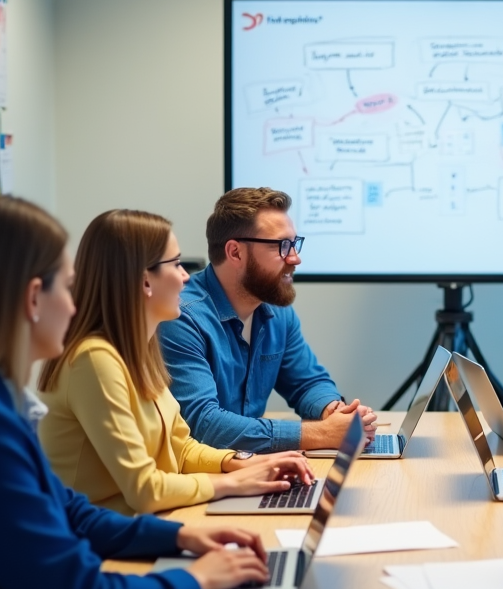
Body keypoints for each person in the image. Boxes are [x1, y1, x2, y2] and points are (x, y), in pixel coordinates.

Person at [0, 197, 274, 589]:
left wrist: (179, 537)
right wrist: (197, 580)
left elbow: (73, 513)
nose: (76, 304)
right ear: (33, 298)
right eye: (70, 287)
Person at [38, 210, 315, 516]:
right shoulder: (94, 360)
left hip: (143, 523)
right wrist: (235, 483)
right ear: (145, 280)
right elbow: (145, 490)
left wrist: (246, 461)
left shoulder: (138, 350)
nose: (186, 276)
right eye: (176, 264)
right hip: (100, 543)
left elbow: (180, 449)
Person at [158, 187, 375, 452]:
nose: (295, 258)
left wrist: (334, 411)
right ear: (235, 253)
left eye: (295, 243)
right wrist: (322, 434)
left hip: (249, 469)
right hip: (198, 479)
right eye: (282, 246)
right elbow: (205, 425)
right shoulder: (181, 318)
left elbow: (307, 382)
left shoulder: (276, 310)